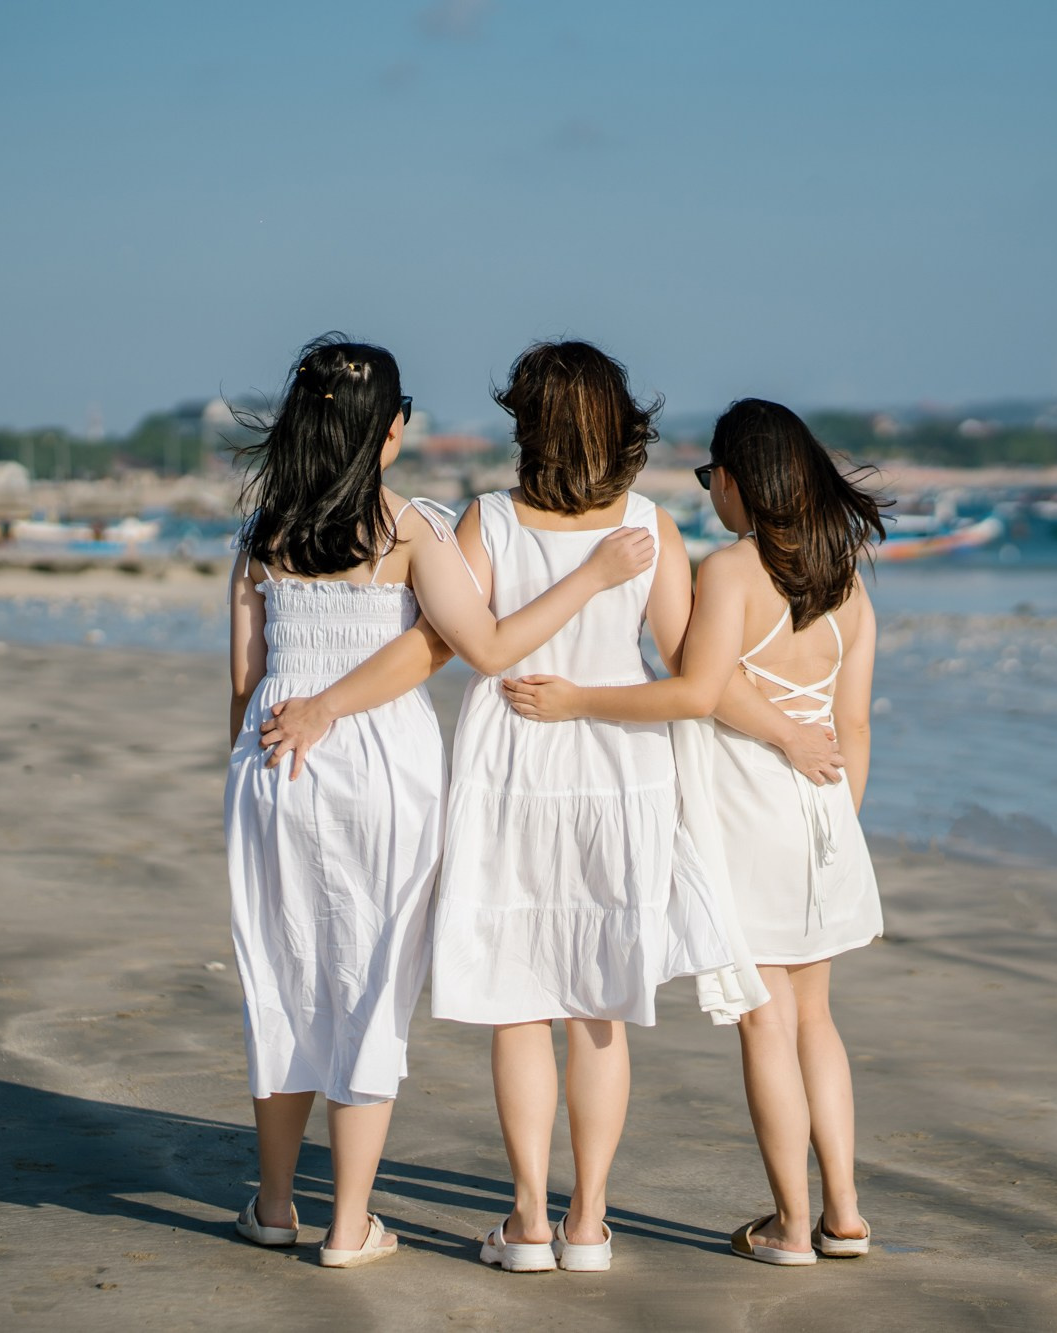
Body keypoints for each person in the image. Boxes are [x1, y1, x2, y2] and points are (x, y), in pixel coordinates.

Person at [263, 343, 833, 1275]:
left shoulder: (484, 523)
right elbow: (699, 673)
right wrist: (790, 728)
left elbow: (442, 648)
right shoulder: (651, 527)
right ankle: (587, 1223)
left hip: (510, 765)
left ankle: (528, 1220)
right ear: (621, 427)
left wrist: (332, 703)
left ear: (528, 426)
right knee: (600, 1007)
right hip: (621, 772)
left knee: (521, 1007)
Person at [223, 334, 654, 1270]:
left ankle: (271, 1202)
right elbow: (485, 649)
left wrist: (274, 751)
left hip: (270, 758)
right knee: (369, 980)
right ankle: (348, 1225)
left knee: (282, 972)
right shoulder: (409, 526)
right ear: (390, 431)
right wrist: (592, 577)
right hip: (382, 767)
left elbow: (243, 685)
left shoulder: (261, 536)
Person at [503, 397, 886, 1266]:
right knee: (816, 1019)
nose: (709, 490)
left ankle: (791, 1226)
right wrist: (833, 824)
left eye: (711, 475)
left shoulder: (732, 570)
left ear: (741, 480)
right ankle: (847, 1213)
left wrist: (578, 700)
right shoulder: (848, 581)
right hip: (824, 818)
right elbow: (854, 727)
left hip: (745, 815)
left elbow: (694, 691)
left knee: (764, 1021)